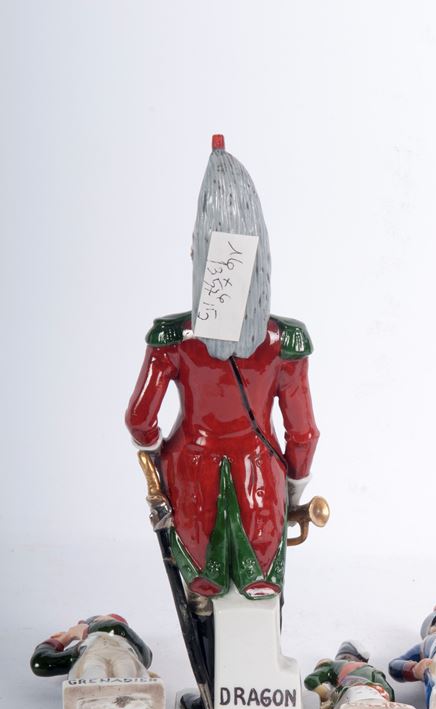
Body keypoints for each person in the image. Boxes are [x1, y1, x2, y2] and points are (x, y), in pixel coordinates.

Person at [125, 135, 319, 604]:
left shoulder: (173, 339)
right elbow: (303, 434)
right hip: (261, 493)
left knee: (200, 600)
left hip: (191, 486)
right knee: (261, 596)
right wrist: (293, 492)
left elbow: (139, 419)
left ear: (197, 253)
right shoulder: (285, 343)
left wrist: (157, 463)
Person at [30, 614, 152, 680]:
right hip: (91, 656)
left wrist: (82, 630)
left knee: (125, 670)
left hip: (122, 654)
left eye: (99, 620)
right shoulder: (80, 650)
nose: (96, 623)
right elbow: (40, 663)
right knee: (92, 671)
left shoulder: (121, 634)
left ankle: (131, 692)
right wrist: (63, 639)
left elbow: (116, 627)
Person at [305, 641, 394, 709]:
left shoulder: (333, 665)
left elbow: (311, 680)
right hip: (378, 696)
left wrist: (327, 695)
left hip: (347, 695)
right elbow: (389, 691)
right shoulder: (372, 670)